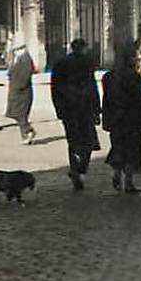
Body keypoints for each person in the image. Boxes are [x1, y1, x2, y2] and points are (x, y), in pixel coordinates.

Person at [50, 38, 101, 190]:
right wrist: (97, 108)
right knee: (88, 141)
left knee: (73, 142)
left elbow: (55, 89)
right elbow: (92, 87)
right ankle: (80, 168)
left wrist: (59, 109)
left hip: (70, 110)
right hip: (83, 109)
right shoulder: (86, 63)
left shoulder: (61, 64)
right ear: (83, 48)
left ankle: (76, 169)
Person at [103, 42, 141, 193]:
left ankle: (117, 174)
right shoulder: (133, 77)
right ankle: (128, 182)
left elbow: (106, 100)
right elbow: (140, 100)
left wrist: (107, 118)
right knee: (132, 151)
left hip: (116, 119)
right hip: (132, 120)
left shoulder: (109, 77)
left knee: (118, 147)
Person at [5, 41, 39, 144]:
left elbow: (25, 75)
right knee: (18, 114)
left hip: (21, 92)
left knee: (20, 114)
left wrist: (18, 87)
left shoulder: (25, 59)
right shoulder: (19, 59)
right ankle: (26, 133)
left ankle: (28, 132)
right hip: (17, 92)